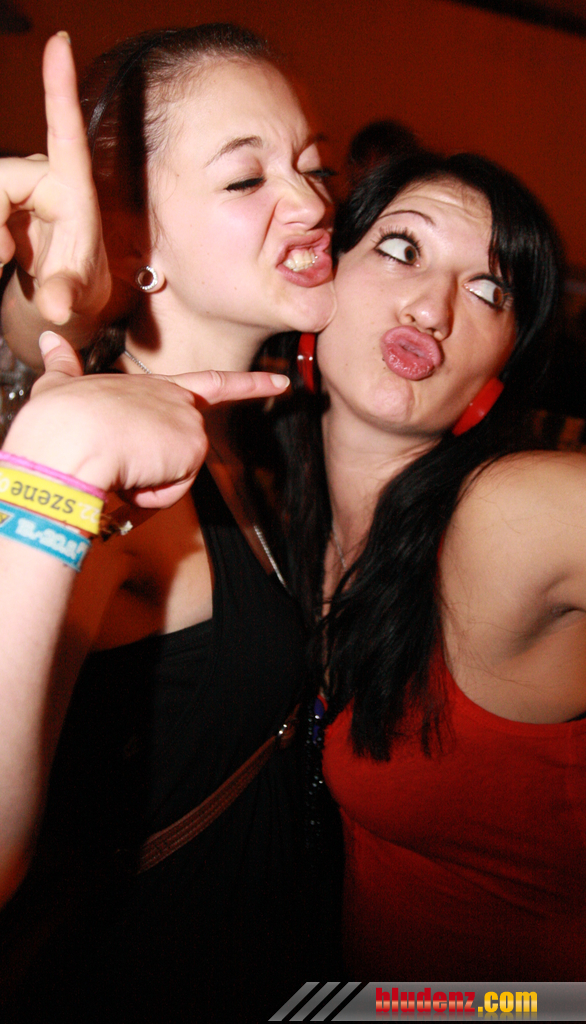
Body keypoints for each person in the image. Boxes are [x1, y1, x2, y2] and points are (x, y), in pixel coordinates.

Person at [267, 150, 586, 980]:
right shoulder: (274, 509)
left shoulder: (512, 515)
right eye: (401, 249)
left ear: (498, 370)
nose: (432, 307)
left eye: (490, 290)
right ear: (319, 277)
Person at [0, 25, 338, 1020]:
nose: (313, 203)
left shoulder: (255, 438)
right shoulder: (103, 477)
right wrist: (54, 474)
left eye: (314, 165)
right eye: (247, 178)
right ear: (135, 246)